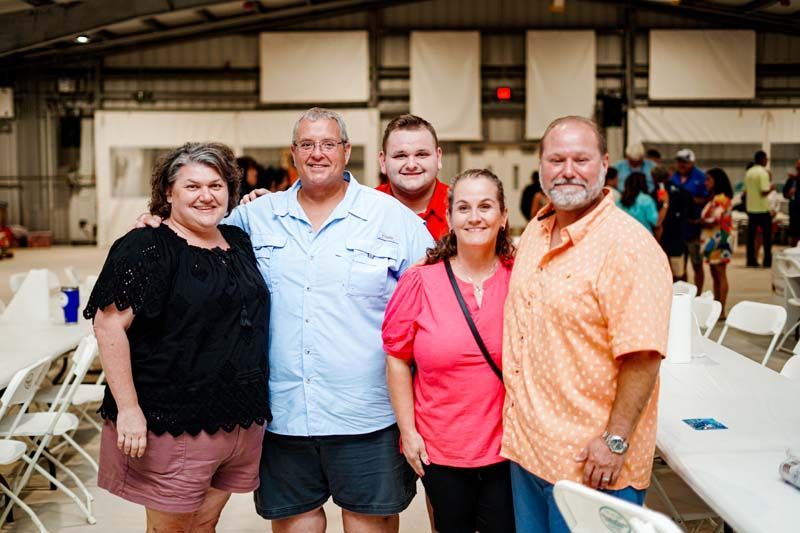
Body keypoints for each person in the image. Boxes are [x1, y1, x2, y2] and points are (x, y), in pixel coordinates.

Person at [207, 108, 431, 532]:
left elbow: (436, 300)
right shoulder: (255, 218)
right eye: (307, 145)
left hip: (368, 415)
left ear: (347, 152)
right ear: (293, 153)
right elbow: (196, 244)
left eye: (329, 144)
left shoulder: (393, 219)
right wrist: (154, 228)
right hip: (283, 415)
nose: (318, 154)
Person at [86, 143, 271, 531]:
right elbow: (108, 326)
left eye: (216, 185)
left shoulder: (238, 242)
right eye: (192, 186)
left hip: (238, 418)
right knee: (170, 528)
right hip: (173, 420)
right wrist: (129, 409)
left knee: (205, 521)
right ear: (167, 193)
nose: (206, 195)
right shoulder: (146, 246)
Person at [502, 116, 672, 533]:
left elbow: (643, 357)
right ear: (540, 166)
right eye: (556, 159)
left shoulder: (628, 247)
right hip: (529, 453)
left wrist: (614, 442)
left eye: (581, 159)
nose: (568, 170)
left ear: (605, 164)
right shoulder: (535, 236)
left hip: (592, 467)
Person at [383, 169, 516, 533]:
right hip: (441, 450)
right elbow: (397, 357)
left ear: (503, 216)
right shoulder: (421, 280)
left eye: (486, 206)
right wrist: (408, 432)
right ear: (451, 217)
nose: (475, 217)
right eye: (464, 207)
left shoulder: (521, 278)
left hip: (510, 448)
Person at [377, 114, 450, 239]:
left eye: (422, 154)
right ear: (383, 162)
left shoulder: (461, 206)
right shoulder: (365, 208)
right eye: (400, 156)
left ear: (438, 157)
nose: (411, 165)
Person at [671, 148, 707, 292]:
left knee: (697, 263)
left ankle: (698, 293)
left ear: (692, 162)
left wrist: (689, 200)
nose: (682, 165)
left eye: (685, 162)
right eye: (679, 161)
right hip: (678, 228)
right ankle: (683, 294)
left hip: (694, 228)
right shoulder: (674, 177)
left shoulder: (700, 177)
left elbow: (706, 198)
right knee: (680, 265)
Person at [701, 168, 734, 317]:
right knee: (715, 274)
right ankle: (718, 305)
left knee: (720, 273)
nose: (705, 182)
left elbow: (714, 218)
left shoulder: (721, 199)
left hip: (721, 239)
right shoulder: (715, 198)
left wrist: (698, 221)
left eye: (708, 179)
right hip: (713, 238)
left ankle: (722, 309)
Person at [652, 166, 693, 281]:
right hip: (679, 237)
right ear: (669, 175)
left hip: (661, 238)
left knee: (664, 274)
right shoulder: (683, 192)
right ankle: (685, 295)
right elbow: (690, 214)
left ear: (653, 178)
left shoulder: (652, 194)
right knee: (680, 272)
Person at [745, 150, 774, 267]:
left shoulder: (749, 172)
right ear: (762, 159)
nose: (767, 161)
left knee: (751, 238)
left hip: (751, 209)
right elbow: (764, 191)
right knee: (767, 238)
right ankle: (767, 261)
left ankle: (750, 260)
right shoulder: (763, 173)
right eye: (766, 159)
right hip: (762, 209)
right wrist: (771, 188)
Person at [783, 159, 800, 247]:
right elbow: (784, 194)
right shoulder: (791, 180)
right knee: (794, 236)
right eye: (797, 167)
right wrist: (788, 194)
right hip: (794, 212)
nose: (798, 169)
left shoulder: (794, 178)